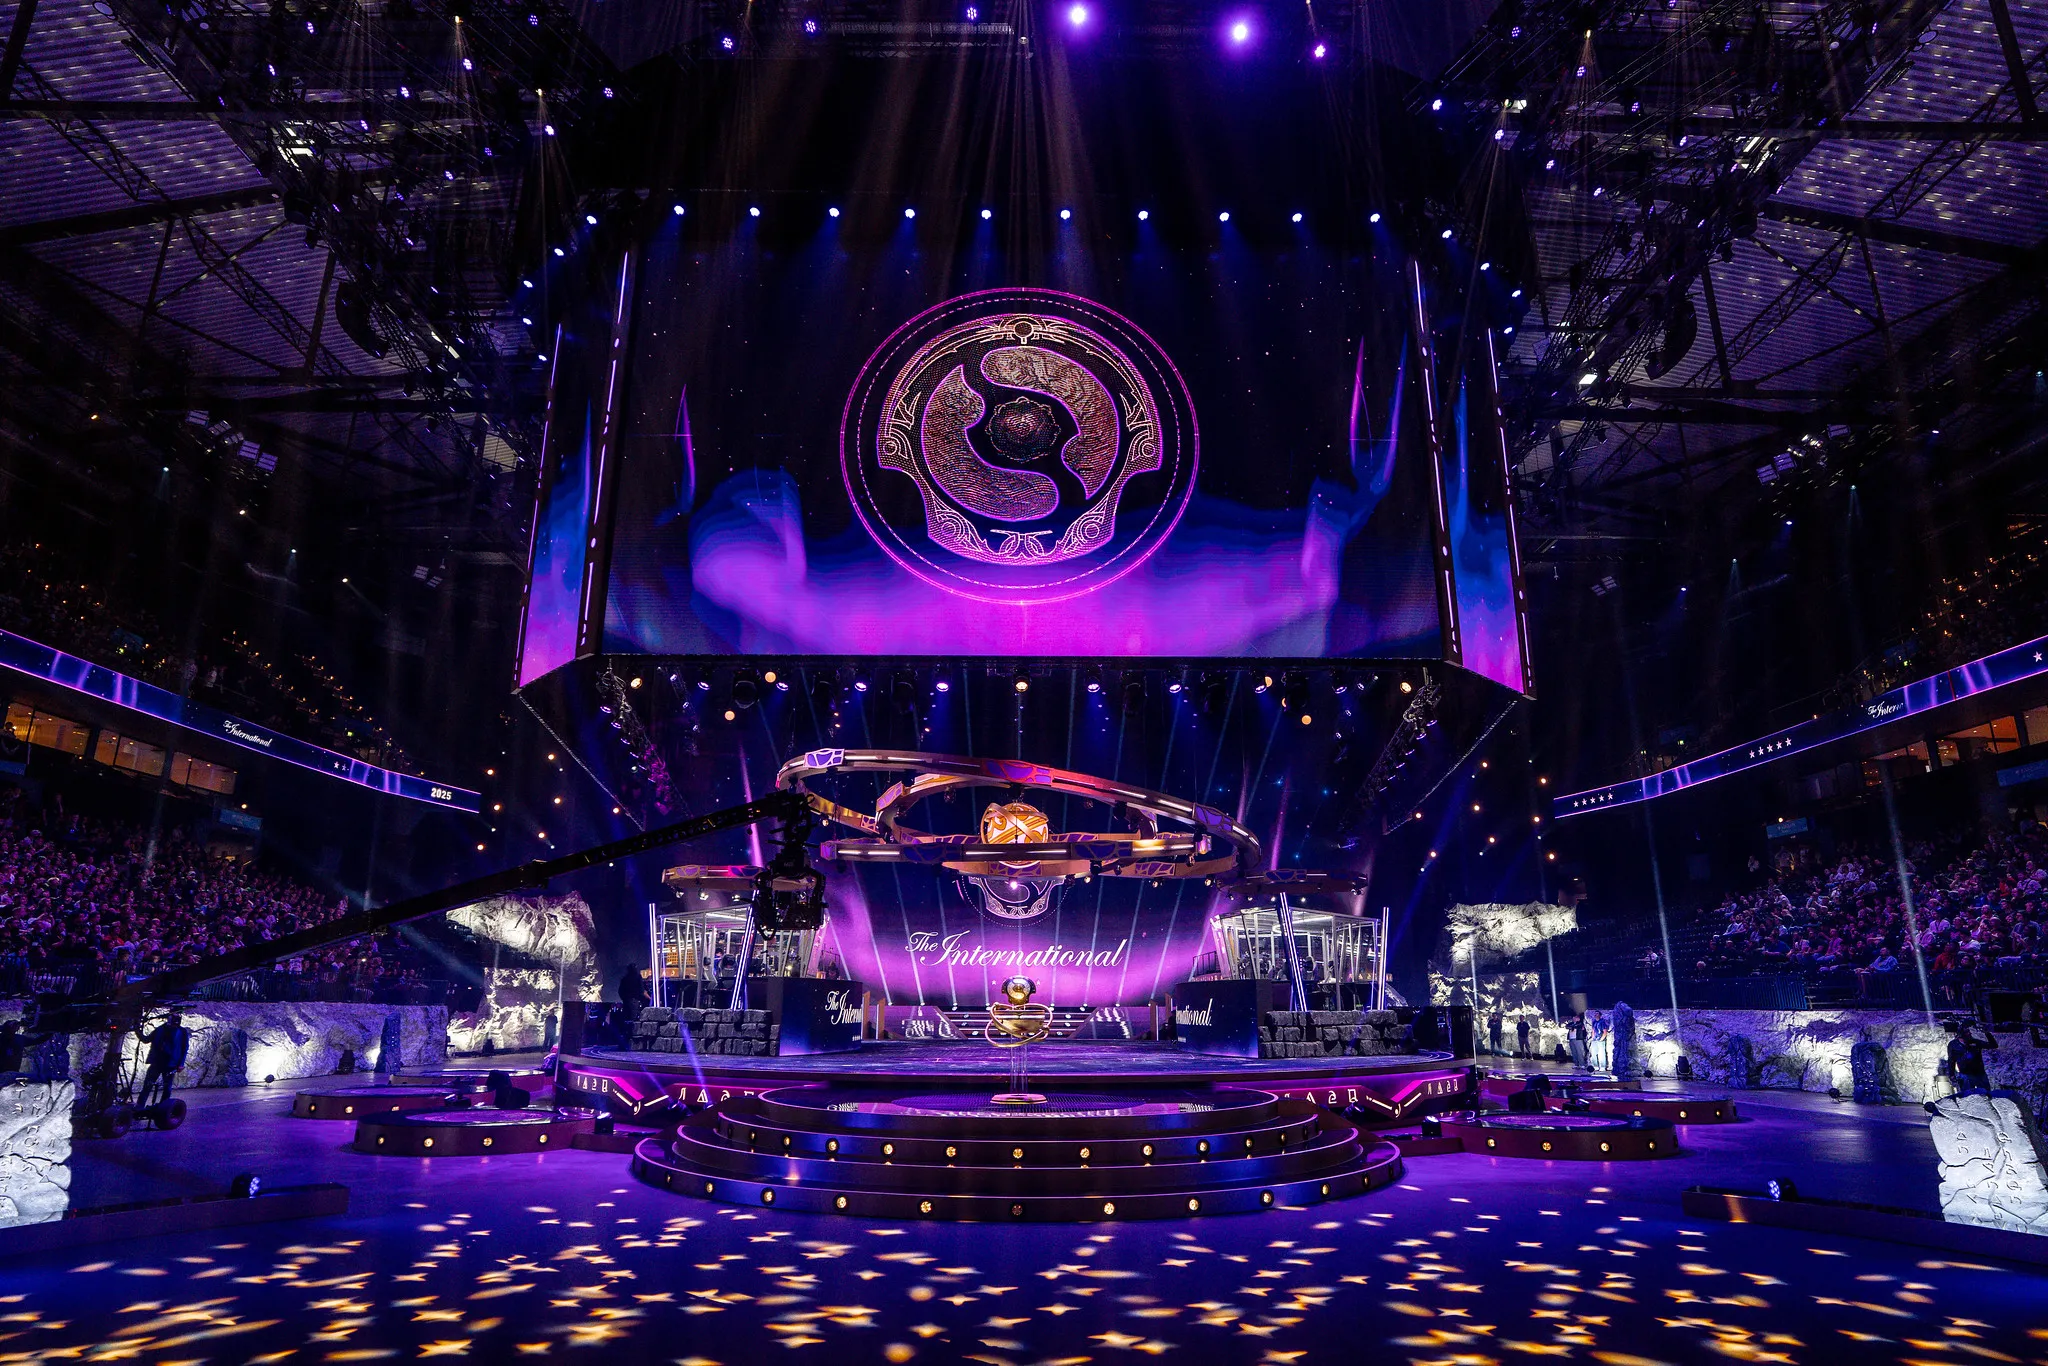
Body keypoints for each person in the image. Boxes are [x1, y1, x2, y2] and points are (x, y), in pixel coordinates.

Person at [138, 1012, 189, 1108]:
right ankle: (139, 1107)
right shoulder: (160, 1029)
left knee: (167, 1088)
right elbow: (146, 1039)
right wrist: (137, 1030)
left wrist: (181, 1063)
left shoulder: (182, 1032)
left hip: (171, 1064)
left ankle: (163, 1108)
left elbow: (184, 1048)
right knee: (148, 1085)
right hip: (157, 1062)